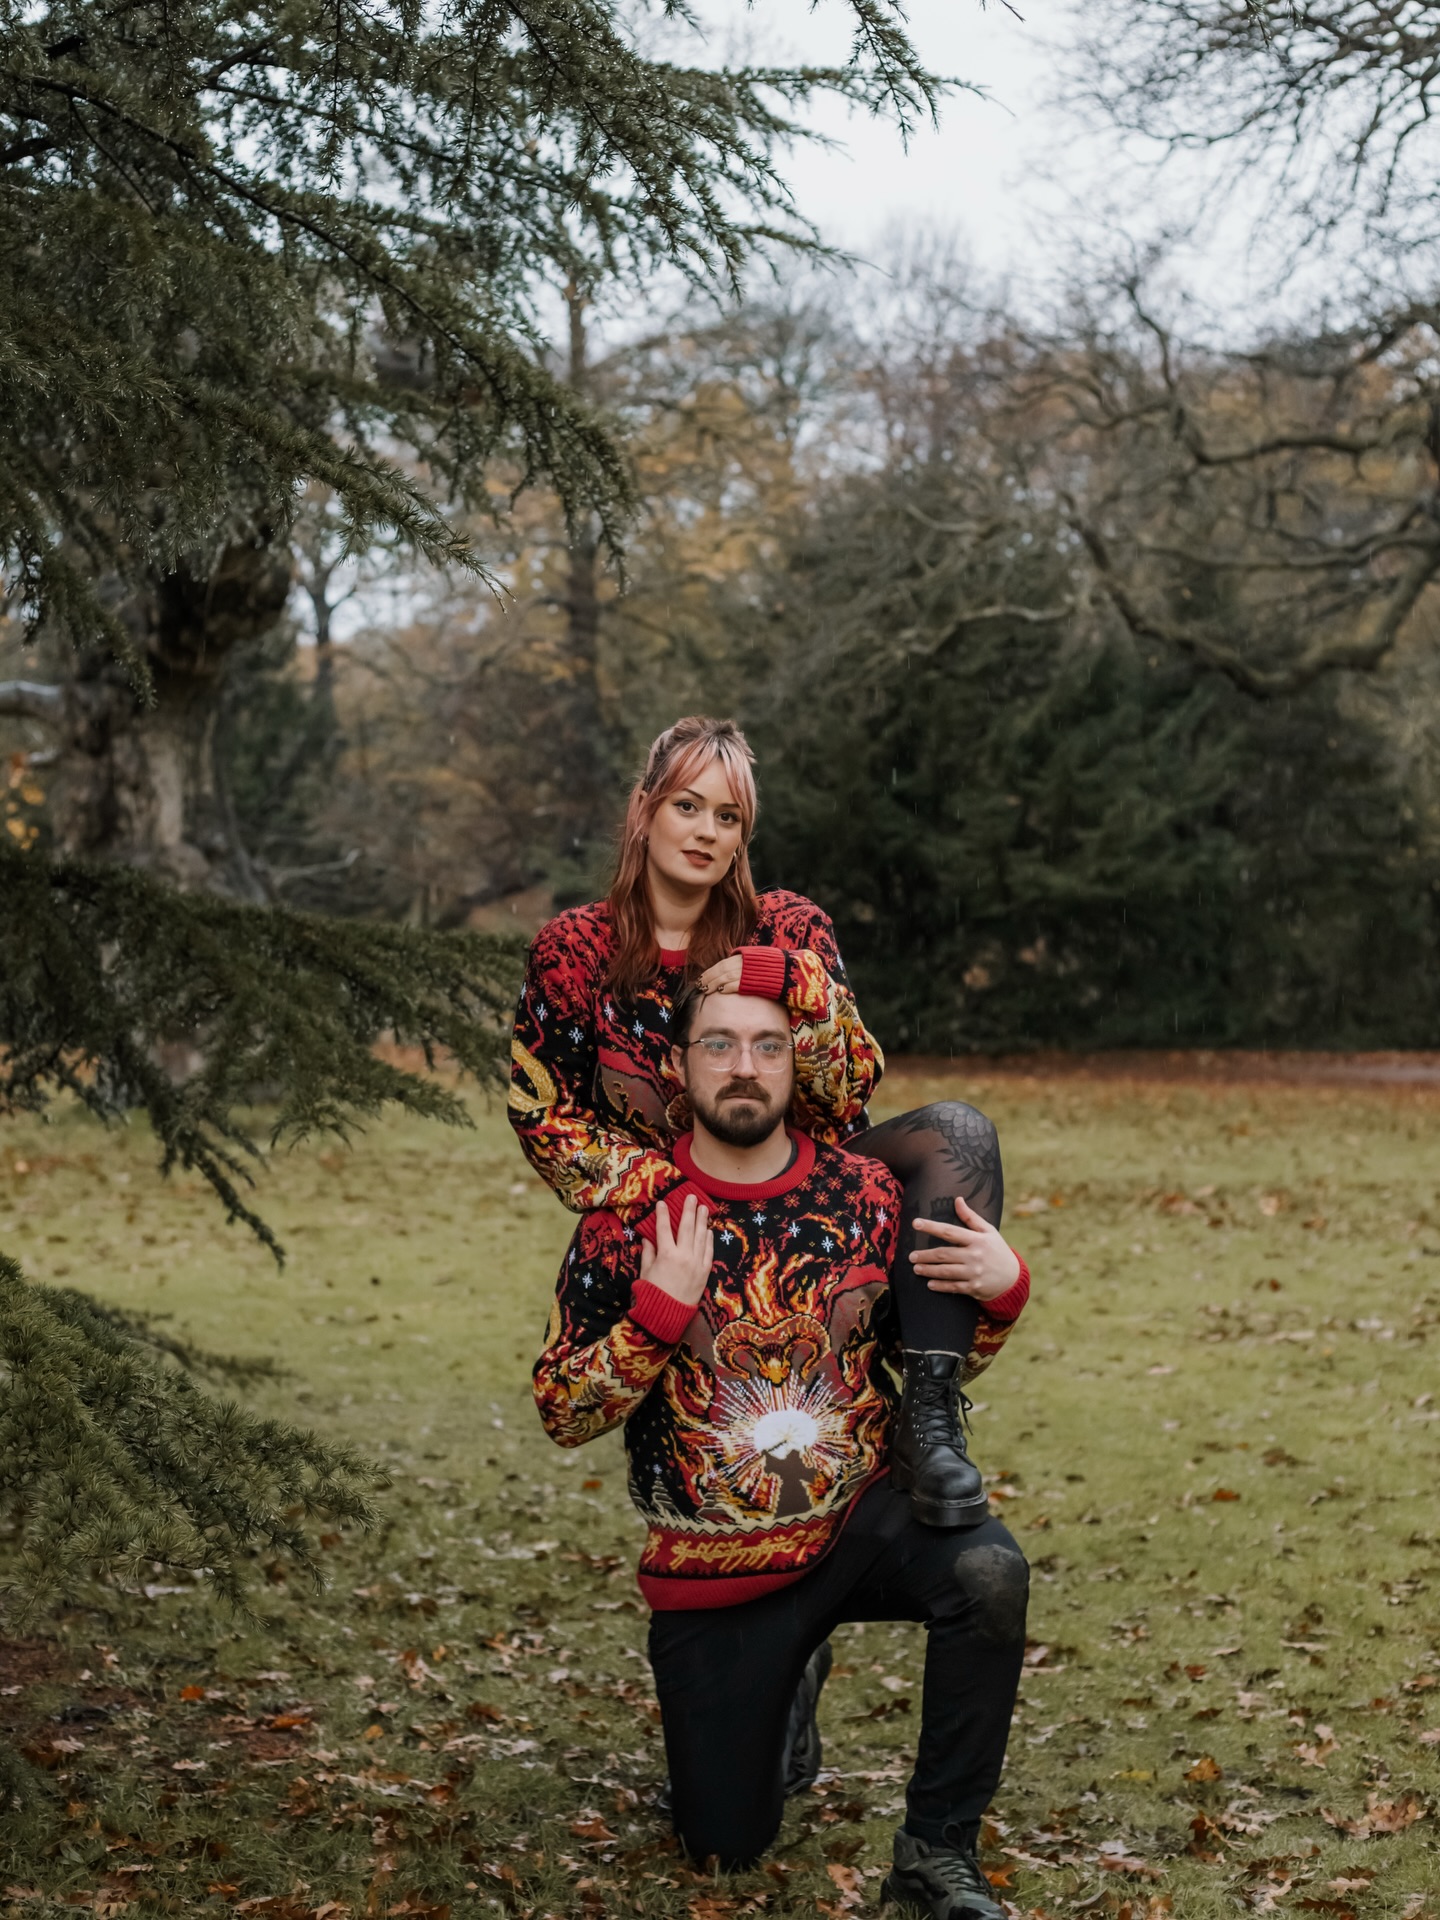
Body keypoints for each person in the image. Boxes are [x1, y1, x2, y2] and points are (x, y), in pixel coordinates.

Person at [533, 983, 1029, 1919]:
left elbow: (934, 1359)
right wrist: (657, 1315)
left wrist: (1001, 1293)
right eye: (718, 1045)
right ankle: (787, 1681)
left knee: (989, 1575)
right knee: (725, 1846)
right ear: (679, 1067)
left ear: (797, 1064)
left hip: (861, 1523)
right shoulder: (627, 1220)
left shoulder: (867, 1195)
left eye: (767, 1045)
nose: (744, 1067)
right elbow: (562, 1409)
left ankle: (936, 1852)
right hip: (715, 1575)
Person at [509, 715, 1031, 1533]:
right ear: (645, 809)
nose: (706, 832)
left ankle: (928, 1420)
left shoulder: (787, 924)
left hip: (802, 1180)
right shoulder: (575, 949)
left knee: (956, 1135)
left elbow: (850, 1089)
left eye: (728, 818)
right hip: (673, 1212)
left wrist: (784, 975)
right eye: (688, 806)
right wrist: (661, 1184)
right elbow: (544, 1113)